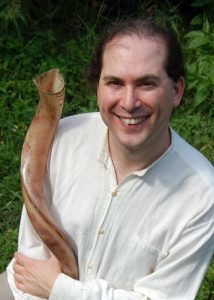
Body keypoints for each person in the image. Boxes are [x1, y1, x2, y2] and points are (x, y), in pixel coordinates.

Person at [3, 18, 214, 299]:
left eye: (146, 84)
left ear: (176, 90)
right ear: (98, 86)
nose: (129, 102)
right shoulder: (62, 138)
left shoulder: (202, 195)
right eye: (115, 82)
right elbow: (31, 261)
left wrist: (61, 290)